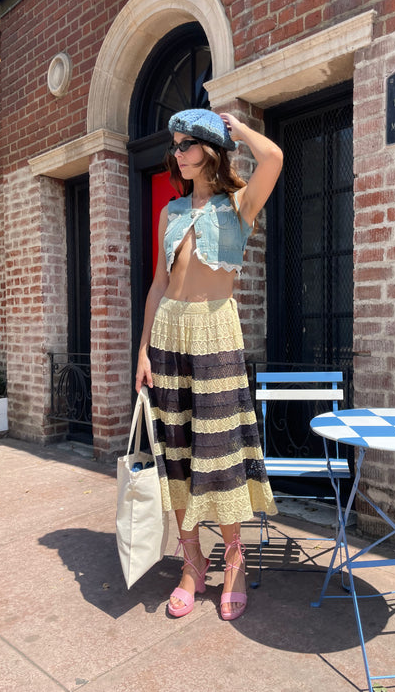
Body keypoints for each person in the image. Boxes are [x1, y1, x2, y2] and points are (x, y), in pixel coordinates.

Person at [135, 108, 283, 621]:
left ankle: (235, 559)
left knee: (219, 452)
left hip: (217, 330)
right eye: (174, 146)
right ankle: (192, 562)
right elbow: (158, 283)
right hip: (170, 332)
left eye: (186, 145)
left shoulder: (238, 205)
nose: (177, 154)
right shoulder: (170, 212)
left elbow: (274, 157)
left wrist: (235, 127)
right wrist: (142, 349)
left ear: (210, 150)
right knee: (178, 450)